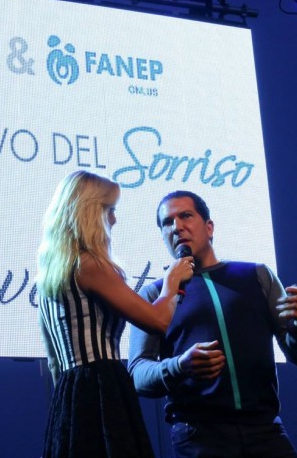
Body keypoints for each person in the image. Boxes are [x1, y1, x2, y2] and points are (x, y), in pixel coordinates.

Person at [128, 190, 297, 458]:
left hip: (265, 431)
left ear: (209, 227)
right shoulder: (155, 295)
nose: (177, 227)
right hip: (198, 437)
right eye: (167, 222)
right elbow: (138, 375)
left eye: (185, 216)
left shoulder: (257, 275)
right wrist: (179, 366)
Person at [36, 171, 194, 458]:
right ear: (90, 212)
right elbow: (158, 320)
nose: (114, 219)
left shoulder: (50, 275)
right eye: (109, 210)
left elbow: (54, 362)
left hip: (68, 396)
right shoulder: (90, 265)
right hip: (100, 386)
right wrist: (172, 282)